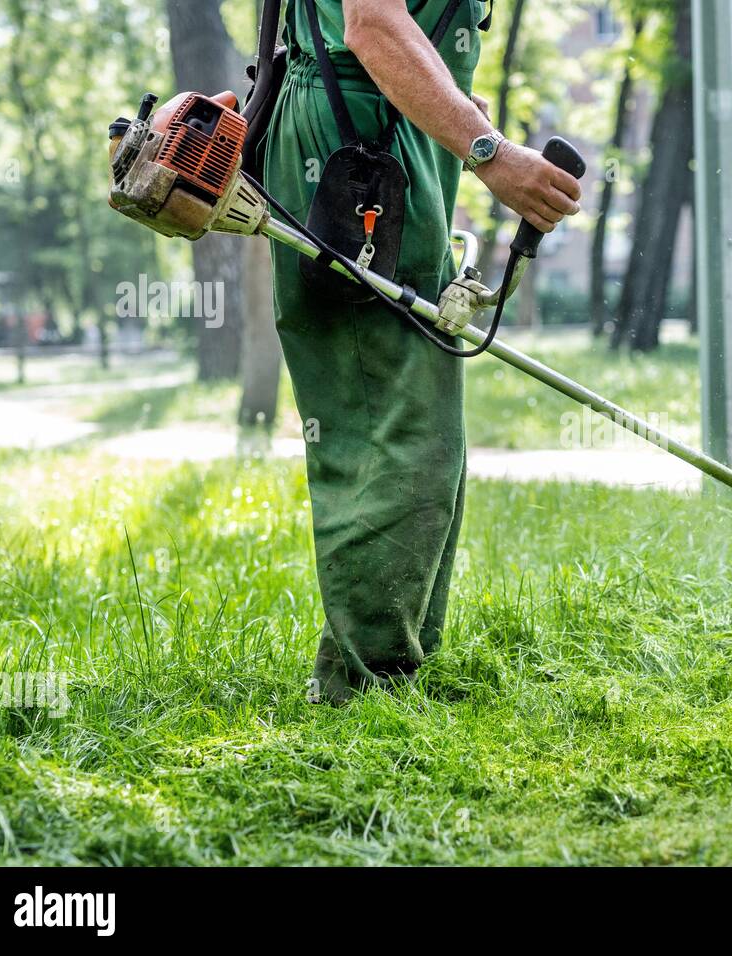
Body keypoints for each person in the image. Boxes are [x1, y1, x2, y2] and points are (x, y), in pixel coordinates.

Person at [265, 0, 582, 704]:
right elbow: (372, 23)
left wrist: (450, 112)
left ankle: (389, 665)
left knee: (421, 411)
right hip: (356, 143)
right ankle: (365, 687)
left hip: (386, 133)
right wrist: (491, 153)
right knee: (389, 417)